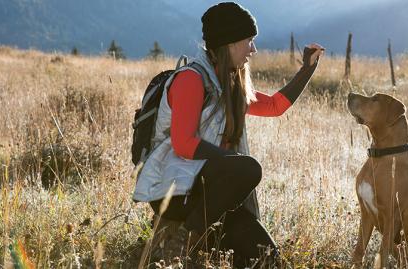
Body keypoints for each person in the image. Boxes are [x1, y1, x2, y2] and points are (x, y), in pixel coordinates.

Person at [131, 2, 324, 267]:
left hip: (213, 196)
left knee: (267, 258)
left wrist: (307, 69)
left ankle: (194, 237)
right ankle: (182, 243)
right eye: (249, 41)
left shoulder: (230, 84)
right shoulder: (191, 80)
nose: (253, 49)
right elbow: (184, 143)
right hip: (176, 191)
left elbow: (275, 106)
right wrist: (232, 164)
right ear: (230, 43)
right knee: (248, 169)